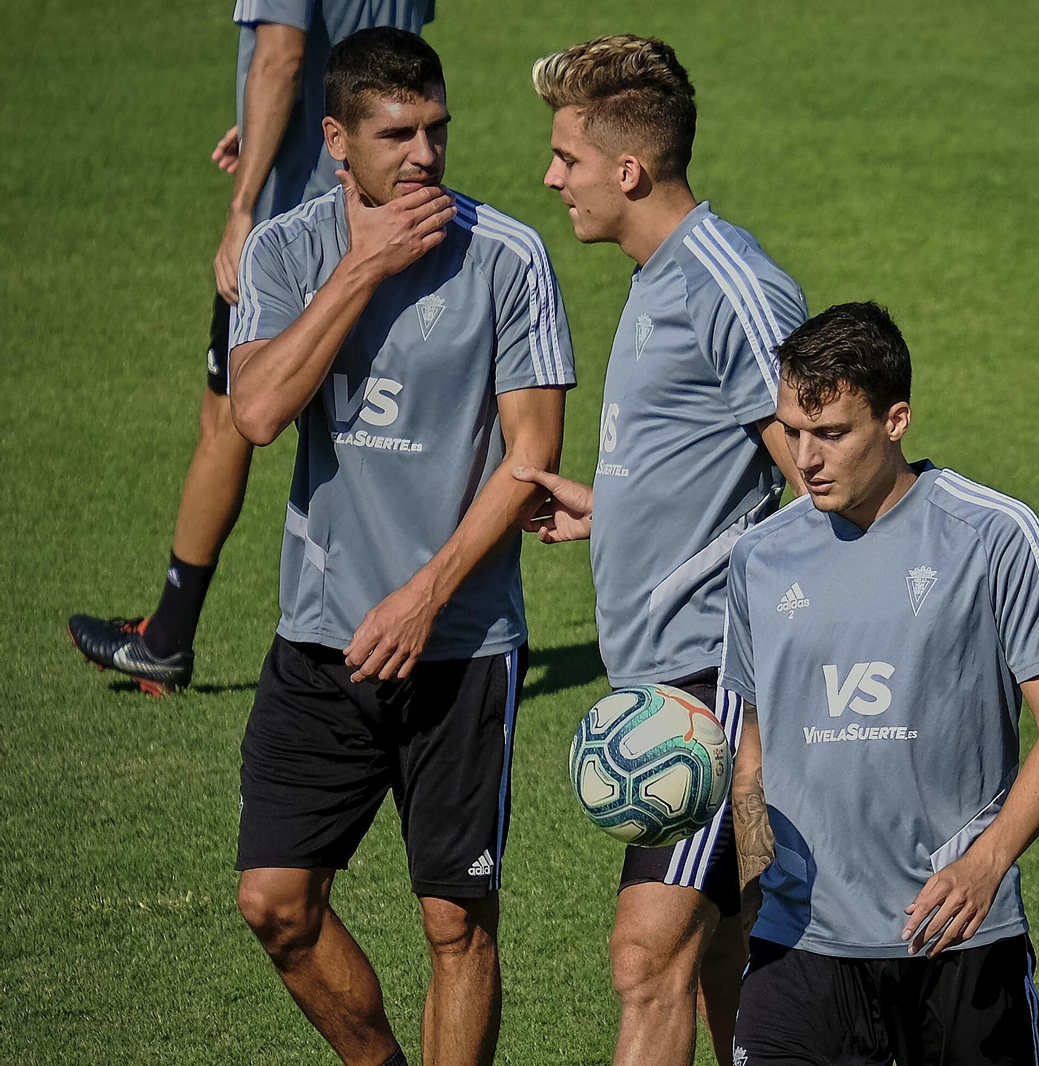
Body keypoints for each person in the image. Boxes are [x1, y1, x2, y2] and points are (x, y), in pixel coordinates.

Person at [227, 29, 573, 1066]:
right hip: (320, 635)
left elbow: (532, 456)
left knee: (454, 924)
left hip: (460, 642)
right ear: (338, 140)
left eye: (436, 130)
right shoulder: (285, 251)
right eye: (396, 135)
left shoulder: (507, 257)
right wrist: (364, 265)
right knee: (276, 902)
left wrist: (424, 596)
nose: (424, 156)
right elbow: (254, 411)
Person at [513, 35, 807, 1066]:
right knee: (725, 952)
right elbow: (722, 463)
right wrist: (620, 510)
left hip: (711, 672)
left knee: (647, 961)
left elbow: (821, 481)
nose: (552, 178)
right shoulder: (659, 274)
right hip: (665, 664)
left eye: (566, 157)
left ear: (628, 169)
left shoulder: (729, 286)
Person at [721, 302, 1039, 1065]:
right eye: (794, 431)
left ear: (896, 420)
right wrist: (757, 892)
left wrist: (987, 864)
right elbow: (753, 747)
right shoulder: (759, 556)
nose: (807, 458)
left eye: (833, 433)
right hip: (801, 945)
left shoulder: (992, 534)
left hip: (954, 937)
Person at [67, 0, 433, 695]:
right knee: (391, 424)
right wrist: (286, 127)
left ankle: (168, 638)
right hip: (386, 206)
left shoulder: (277, 242)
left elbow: (280, 57)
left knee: (232, 418)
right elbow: (393, 62)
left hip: (299, 223)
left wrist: (244, 204)